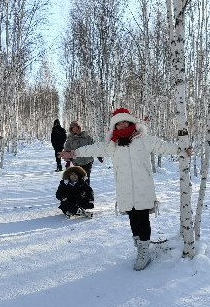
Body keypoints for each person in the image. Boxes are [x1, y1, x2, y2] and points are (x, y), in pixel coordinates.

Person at [60, 108, 190, 270]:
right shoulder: (113, 144)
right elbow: (93, 149)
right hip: (125, 187)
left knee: (142, 217)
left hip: (142, 186)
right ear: (115, 126)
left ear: (130, 122)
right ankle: (139, 245)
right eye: (118, 123)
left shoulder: (143, 139)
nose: (121, 125)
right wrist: (72, 153)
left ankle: (144, 250)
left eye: (124, 122)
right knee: (132, 217)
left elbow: (162, 146)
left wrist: (182, 150)